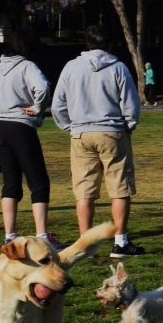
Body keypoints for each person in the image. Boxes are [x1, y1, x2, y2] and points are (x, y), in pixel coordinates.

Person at [52, 26, 144, 257]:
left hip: (81, 133)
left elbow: (58, 105)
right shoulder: (118, 68)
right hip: (112, 131)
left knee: (84, 191)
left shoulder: (71, 67)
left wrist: (69, 126)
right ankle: (120, 242)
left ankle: (86, 243)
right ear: (110, 43)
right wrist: (128, 126)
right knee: (119, 187)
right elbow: (131, 104)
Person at [0, 28, 53, 244]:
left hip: (1, 127)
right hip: (21, 127)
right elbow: (43, 87)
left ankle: (9, 235)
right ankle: (42, 235)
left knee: (10, 183)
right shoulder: (27, 66)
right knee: (38, 181)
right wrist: (36, 108)